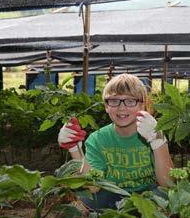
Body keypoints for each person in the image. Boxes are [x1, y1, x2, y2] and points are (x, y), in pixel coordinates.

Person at [58, 73, 173, 210]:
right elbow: (92, 187)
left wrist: (158, 141)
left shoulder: (152, 131)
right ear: (106, 106)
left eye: (130, 101)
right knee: (86, 200)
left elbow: (168, 183)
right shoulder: (98, 139)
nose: (121, 107)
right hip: (113, 196)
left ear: (142, 105)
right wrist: (74, 149)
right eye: (114, 101)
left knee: (165, 195)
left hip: (148, 195)